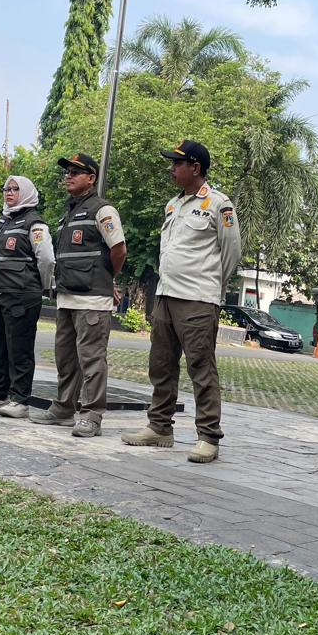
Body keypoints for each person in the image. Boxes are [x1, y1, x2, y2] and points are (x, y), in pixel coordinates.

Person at [122, 140, 241, 463]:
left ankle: (208, 437)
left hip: (198, 299)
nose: (172, 169)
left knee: (201, 367)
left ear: (196, 168)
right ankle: (159, 427)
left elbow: (231, 253)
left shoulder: (218, 204)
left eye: (177, 164)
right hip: (167, 295)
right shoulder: (173, 205)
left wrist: (213, 288)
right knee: (160, 365)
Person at [31, 152, 127, 438]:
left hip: (92, 301)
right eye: (67, 172)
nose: (68, 176)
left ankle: (92, 414)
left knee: (92, 359)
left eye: (76, 171)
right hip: (67, 298)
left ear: (92, 178)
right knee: (65, 357)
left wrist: (108, 278)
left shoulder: (103, 210)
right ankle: (63, 406)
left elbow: (118, 249)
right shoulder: (69, 212)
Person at [0, 175, 54, 419]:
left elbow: (46, 260)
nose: (9, 192)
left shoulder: (35, 224)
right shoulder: (0, 221)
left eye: (15, 189)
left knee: (20, 350)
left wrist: (43, 287)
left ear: (26, 192)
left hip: (22, 296)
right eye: (6, 188)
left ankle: (20, 400)